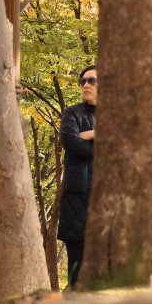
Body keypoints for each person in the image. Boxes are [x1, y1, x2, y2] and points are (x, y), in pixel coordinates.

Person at [58, 64, 96, 288]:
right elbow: (71, 144)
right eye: (83, 81)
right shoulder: (72, 113)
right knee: (77, 271)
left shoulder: (118, 115)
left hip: (108, 200)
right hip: (77, 200)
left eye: (92, 80)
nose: (86, 85)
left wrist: (89, 134)